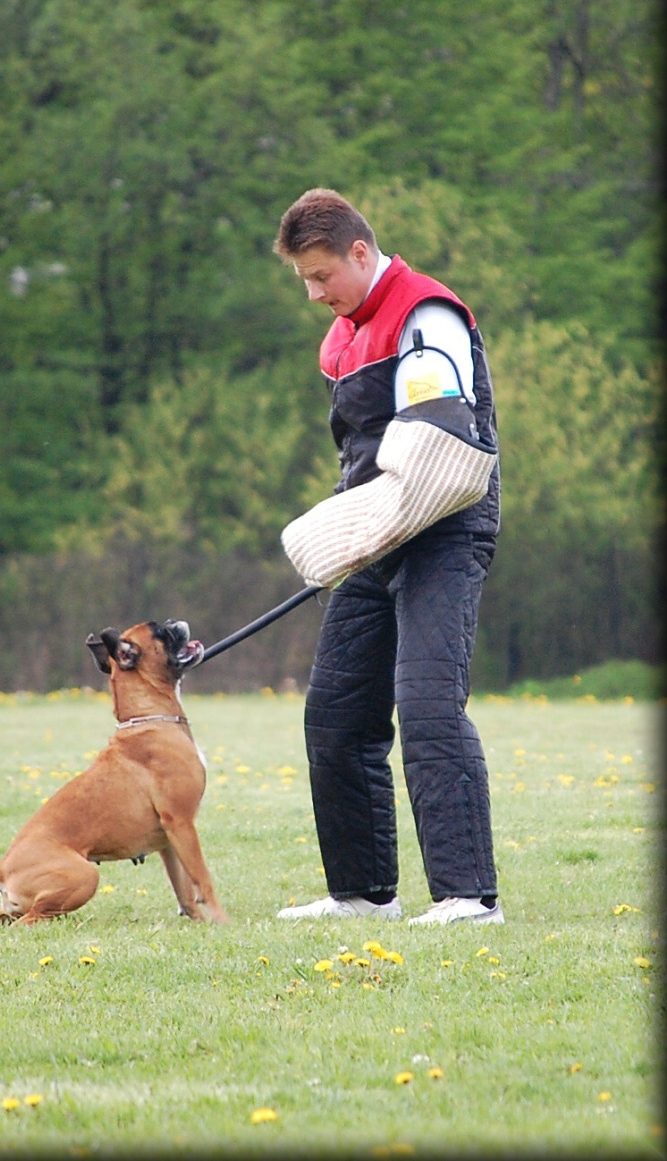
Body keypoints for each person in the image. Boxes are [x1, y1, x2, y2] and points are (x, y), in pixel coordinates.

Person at [273, 188, 503, 925]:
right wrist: (343, 530)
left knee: (429, 707)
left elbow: (439, 444)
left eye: (320, 276)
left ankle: (467, 899)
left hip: (442, 530)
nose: (313, 294)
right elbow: (364, 457)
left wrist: (370, 523)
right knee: (335, 717)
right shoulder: (340, 337)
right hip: (377, 533)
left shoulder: (424, 314)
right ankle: (362, 894)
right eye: (304, 281)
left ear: (360, 253)